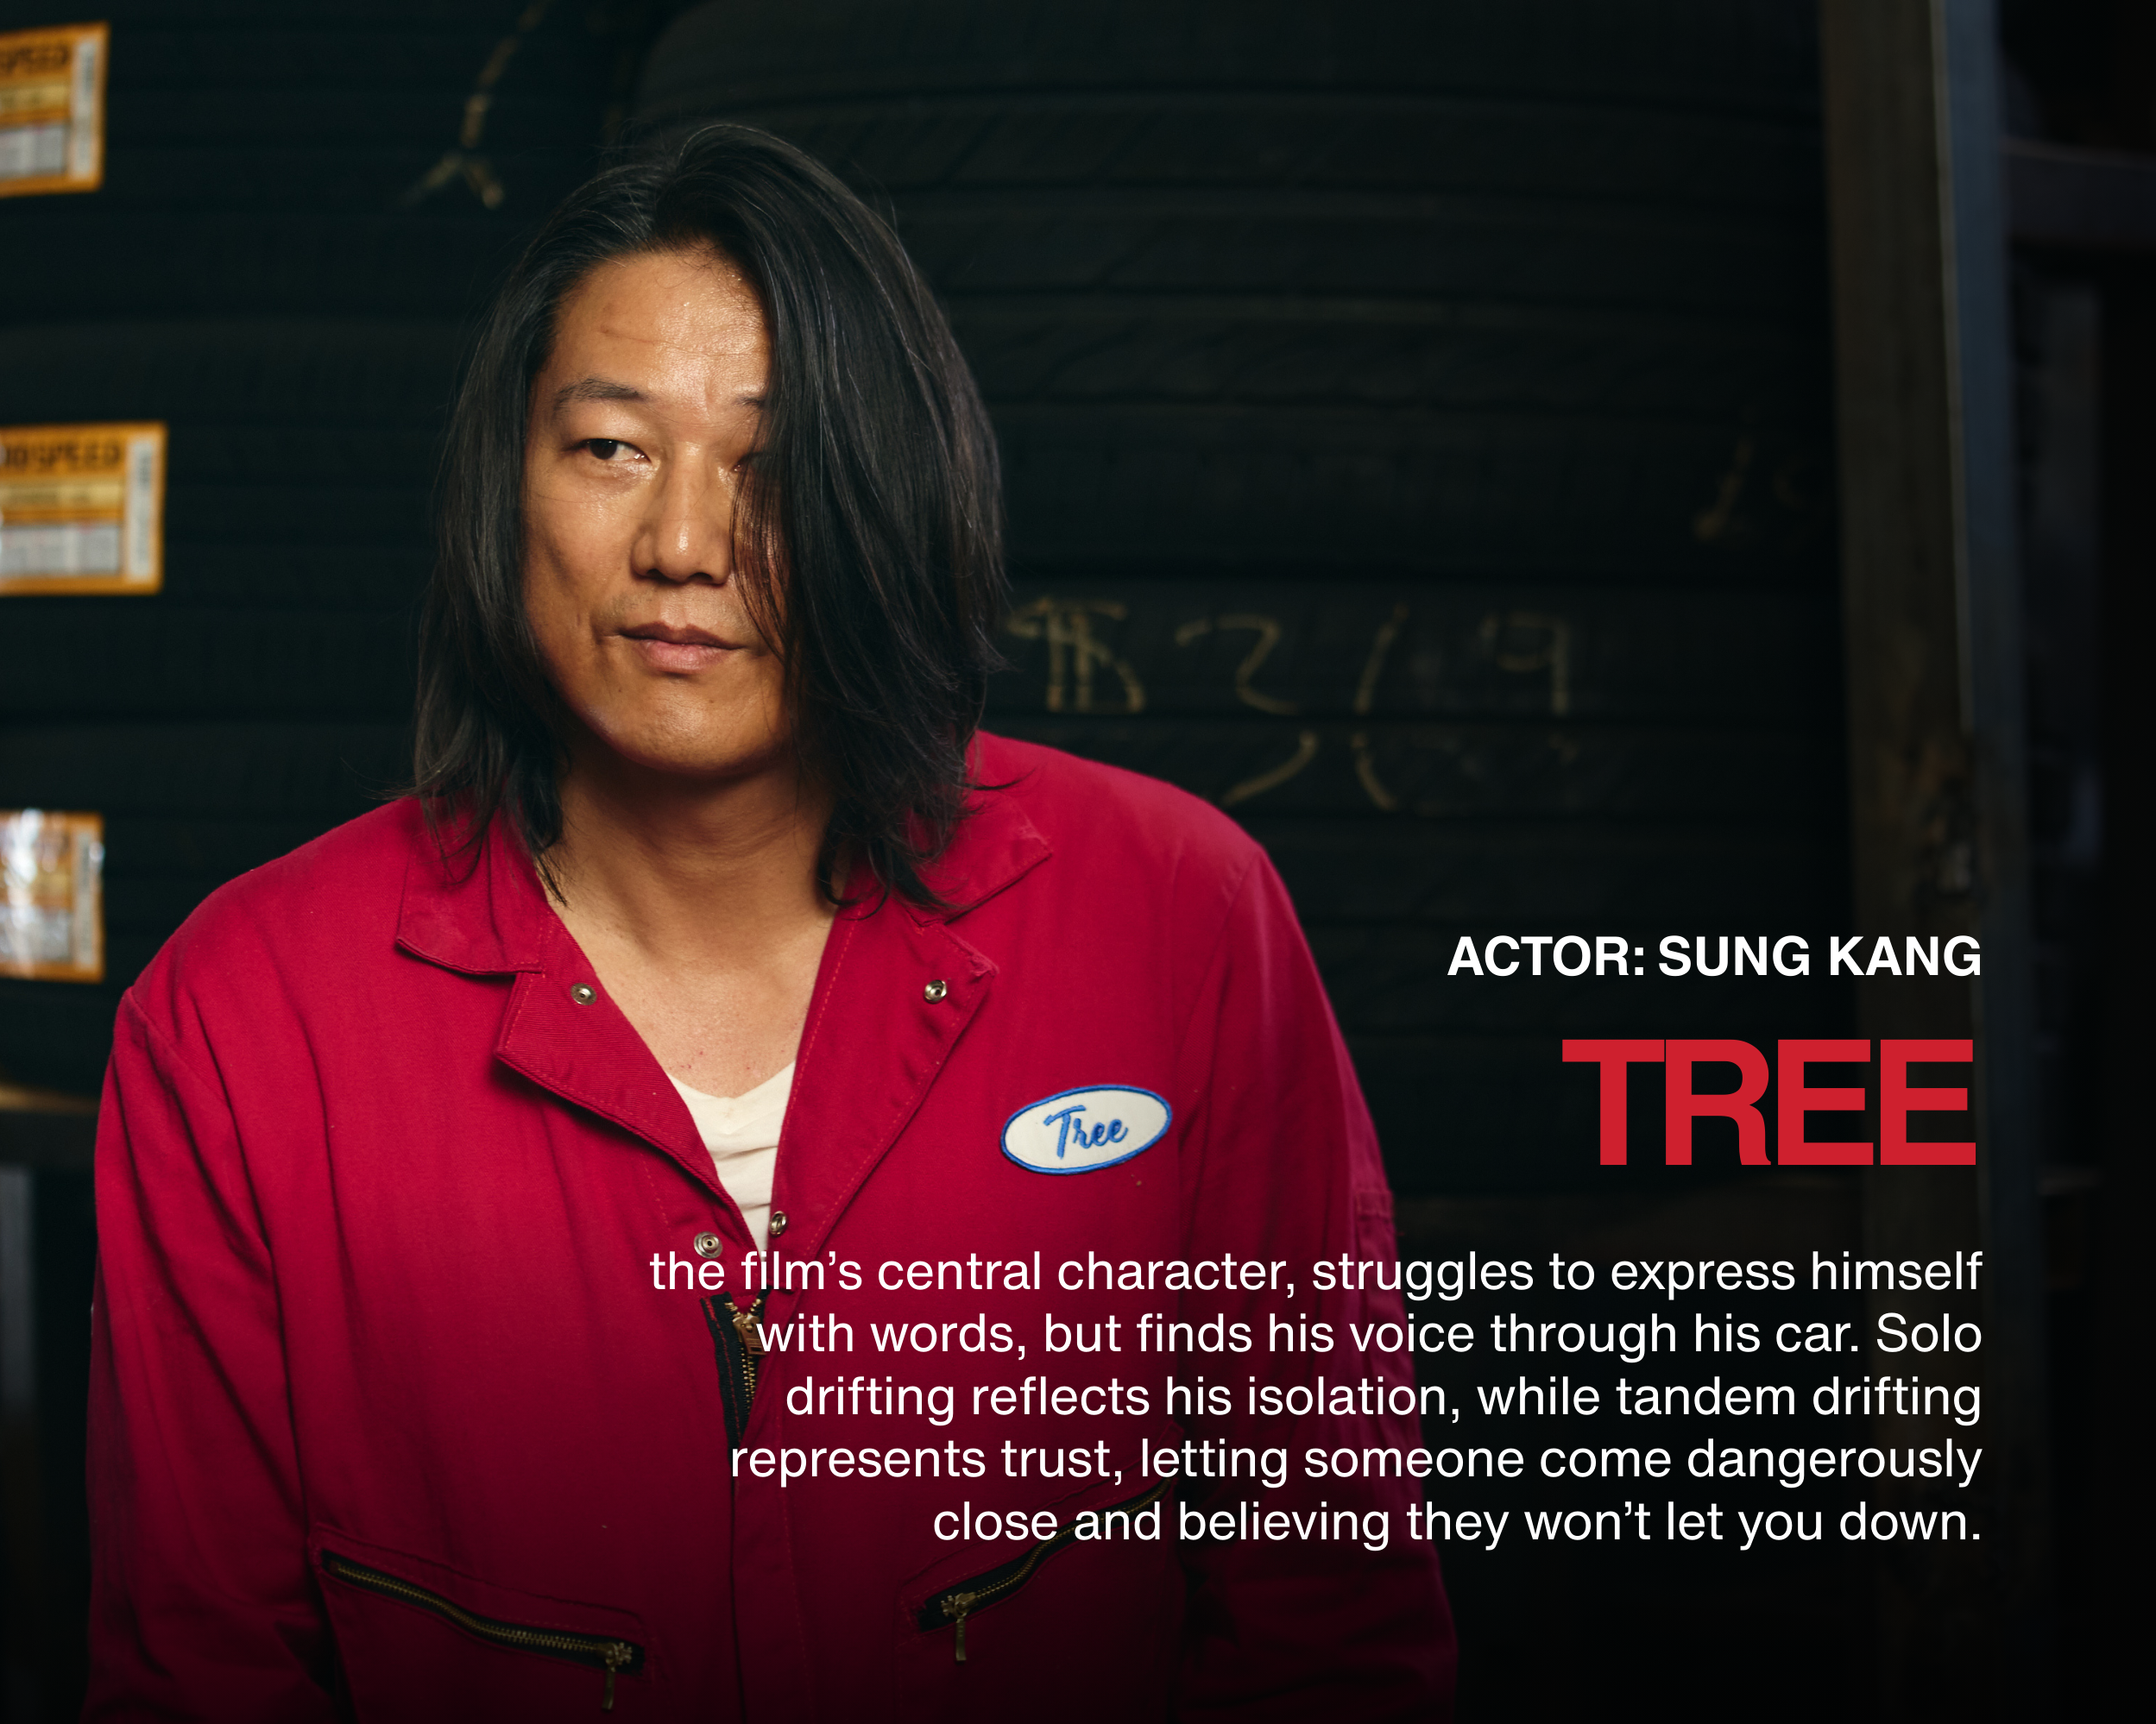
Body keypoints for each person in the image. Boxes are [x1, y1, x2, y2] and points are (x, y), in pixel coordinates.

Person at [85, 124, 1455, 1721]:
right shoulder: (240, 1027)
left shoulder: (1178, 917)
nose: (682, 547)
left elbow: (1330, 1610)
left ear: (892, 494)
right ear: (503, 487)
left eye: (774, 466)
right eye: (610, 449)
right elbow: (199, 1676)